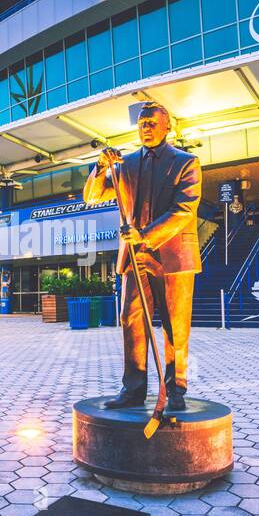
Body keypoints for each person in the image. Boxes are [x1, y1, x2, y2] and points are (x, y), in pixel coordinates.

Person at [82, 102, 201, 412]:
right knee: (131, 319)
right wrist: (100, 167)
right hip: (135, 256)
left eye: (152, 122)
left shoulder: (187, 163)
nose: (146, 127)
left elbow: (184, 210)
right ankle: (133, 388)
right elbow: (93, 196)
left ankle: (175, 389)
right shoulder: (127, 165)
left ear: (167, 127)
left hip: (172, 256)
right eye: (142, 122)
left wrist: (146, 234)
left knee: (175, 326)